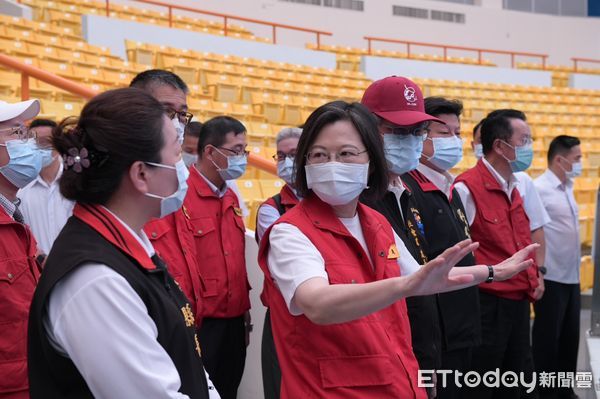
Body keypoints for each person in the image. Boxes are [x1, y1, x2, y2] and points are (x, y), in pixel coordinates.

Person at [258, 100, 538, 398]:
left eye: (346, 154)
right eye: (318, 155)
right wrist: (405, 285)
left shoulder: (376, 223)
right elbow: (316, 302)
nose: (332, 164)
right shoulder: (289, 232)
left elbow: (422, 278)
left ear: (372, 162)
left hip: (397, 383)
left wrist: (493, 271)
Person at [27, 88, 217, 398]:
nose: (182, 165)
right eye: (175, 152)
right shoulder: (94, 280)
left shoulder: (130, 244)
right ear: (141, 173)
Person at [359, 76, 443, 399]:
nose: (409, 141)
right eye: (397, 130)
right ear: (367, 130)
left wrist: (428, 358)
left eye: (415, 131)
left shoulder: (410, 191)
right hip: (383, 367)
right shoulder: (355, 201)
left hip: (418, 357)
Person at [455, 109, 540, 399]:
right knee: (485, 380)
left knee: (516, 380)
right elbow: (459, 253)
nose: (529, 147)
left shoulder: (514, 186)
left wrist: (534, 276)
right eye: (524, 139)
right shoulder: (466, 188)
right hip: (486, 304)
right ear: (500, 146)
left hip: (517, 301)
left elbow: (519, 238)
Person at [401, 96, 481, 399]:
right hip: (435, 336)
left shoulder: (450, 187)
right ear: (420, 138)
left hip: (464, 325)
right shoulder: (407, 188)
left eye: (458, 133)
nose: (455, 141)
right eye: (444, 133)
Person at [187, 115, 251, 399]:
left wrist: (245, 313)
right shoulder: (181, 194)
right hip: (200, 324)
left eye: (244, 151)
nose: (242, 158)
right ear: (210, 152)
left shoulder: (231, 195)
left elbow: (236, 259)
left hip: (234, 320)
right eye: (235, 151)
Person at [0, 99, 44, 399]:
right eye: (16, 133)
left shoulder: (14, 216)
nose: (27, 143)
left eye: (27, 133)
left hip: (33, 380)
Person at [532, 135, 582, 399]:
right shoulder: (540, 188)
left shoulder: (569, 187)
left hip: (572, 275)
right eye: (577, 158)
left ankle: (564, 389)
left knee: (570, 337)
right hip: (551, 276)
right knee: (547, 339)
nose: (580, 163)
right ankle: (545, 391)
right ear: (560, 160)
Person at [255, 126, 302, 399]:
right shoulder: (272, 209)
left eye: (294, 154)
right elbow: (288, 262)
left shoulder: (334, 204)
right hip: (285, 315)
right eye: (282, 156)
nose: (288, 162)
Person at [19, 118, 75, 258]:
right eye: (33, 142)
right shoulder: (20, 192)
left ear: (58, 144)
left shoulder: (76, 186)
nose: (38, 147)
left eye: (44, 142)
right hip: (38, 274)